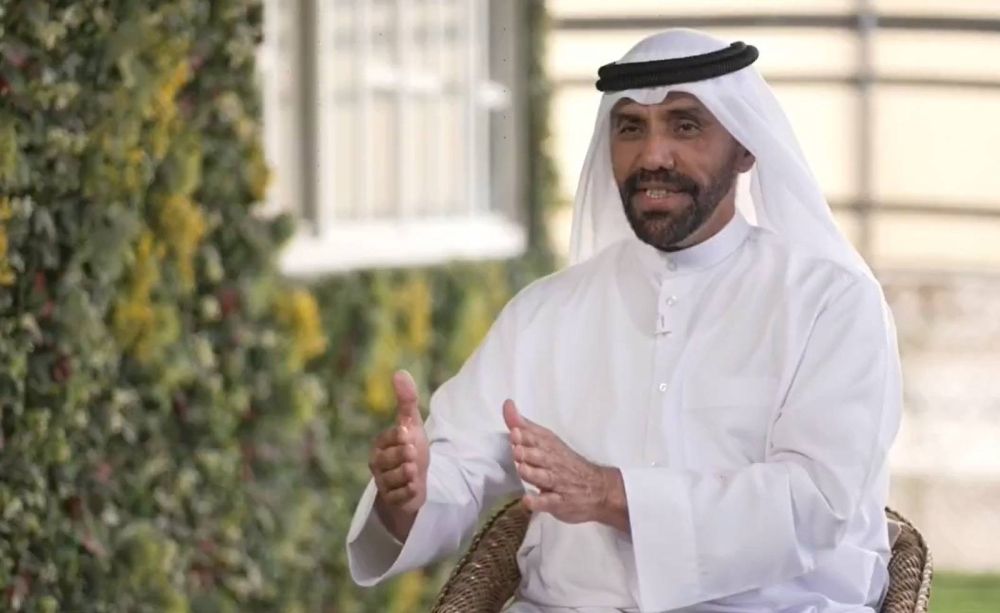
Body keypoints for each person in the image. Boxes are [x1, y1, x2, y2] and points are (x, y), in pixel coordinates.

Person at [346, 29, 902, 613]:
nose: (653, 156)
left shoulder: (831, 302)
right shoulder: (547, 312)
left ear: (745, 146)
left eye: (685, 126)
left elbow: (816, 503)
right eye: (631, 127)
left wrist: (610, 494)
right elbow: (458, 466)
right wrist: (408, 495)